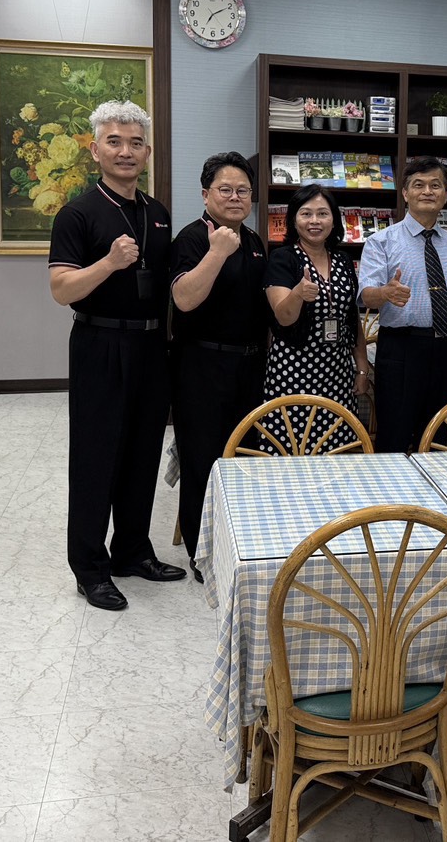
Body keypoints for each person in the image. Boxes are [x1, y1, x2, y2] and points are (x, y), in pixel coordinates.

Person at [48, 100, 185, 612]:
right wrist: (107, 263)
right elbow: (61, 289)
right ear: (95, 150)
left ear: (147, 152)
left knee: (142, 453)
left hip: (151, 346)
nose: (125, 151)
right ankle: (89, 568)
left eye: (135, 143)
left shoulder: (158, 213)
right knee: (95, 457)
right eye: (114, 141)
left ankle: (132, 551)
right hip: (99, 344)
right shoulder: (77, 213)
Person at [169, 152, 269, 583]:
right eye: (224, 190)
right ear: (205, 194)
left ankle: (237, 545)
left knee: (243, 457)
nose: (234, 197)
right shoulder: (192, 238)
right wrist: (216, 253)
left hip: (251, 365)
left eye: (243, 190)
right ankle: (202, 555)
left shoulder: (255, 240)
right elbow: (184, 299)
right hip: (202, 365)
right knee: (203, 462)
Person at [358, 157, 447, 453]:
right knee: (394, 435)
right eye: (418, 185)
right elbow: (366, 295)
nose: (427, 191)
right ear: (405, 193)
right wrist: (385, 293)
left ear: (446, 194)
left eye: (435, 185)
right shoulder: (382, 241)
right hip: (402, 348)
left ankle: (431, 484)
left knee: (437, 436)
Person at [259, 184, 369, 450]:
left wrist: (362, 368)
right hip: (293, 373)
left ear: (333, 220)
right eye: (306, 214)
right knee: (291, 449)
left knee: (336, 449)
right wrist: (298, 294)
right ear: (294, 220)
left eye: (322, 213)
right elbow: (284, 318)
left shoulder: (343, 260)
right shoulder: (282, 258)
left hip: (338, 374)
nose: (315, 221)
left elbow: (351, 319)